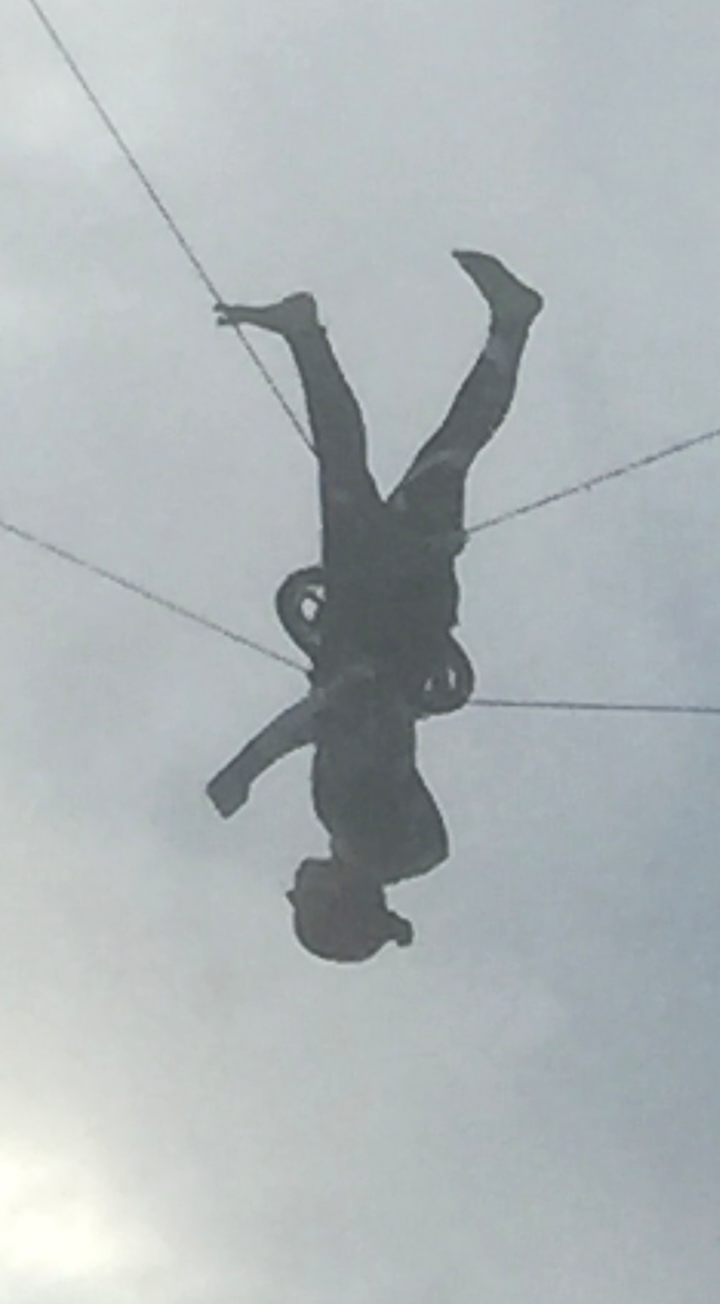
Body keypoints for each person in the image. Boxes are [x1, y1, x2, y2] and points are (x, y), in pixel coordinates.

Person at [205, 250, 543, 959]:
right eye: (306, 905)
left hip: (393, 615)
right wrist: (245, 767)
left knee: (376, 462)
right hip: (384, 611)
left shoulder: (394, 844)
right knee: (426, 457)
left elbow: (369, 716)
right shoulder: (363, 827)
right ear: (336, 900)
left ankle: (306, 330)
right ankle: (508, 322)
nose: (293, 890)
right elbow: (347, 705)